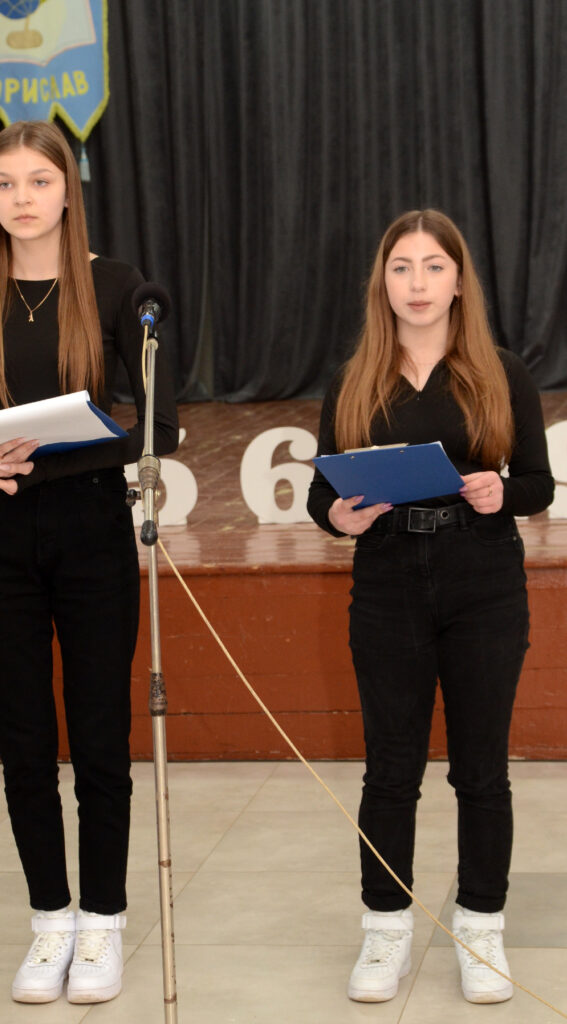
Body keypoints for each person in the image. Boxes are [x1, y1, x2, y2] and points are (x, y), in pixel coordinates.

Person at [0, 120, 179, 1005]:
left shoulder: (117, 287)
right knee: (23, 740)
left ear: (69, 191)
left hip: (91, 533)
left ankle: (103, 920)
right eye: (5, 184)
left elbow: (160, 428)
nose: (22, 198)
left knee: (100, 735)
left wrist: (47, 457)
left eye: (39, 181)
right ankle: (51, 920)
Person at [307, 209, 553, 1005]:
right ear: (381, 282)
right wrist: (337, 516)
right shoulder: (354, 377)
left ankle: (480, 926)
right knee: (390, 769)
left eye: (433, 267)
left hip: (481, 579)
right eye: (401, 267)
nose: (417, 283)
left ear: (457, 281)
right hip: (386, 583)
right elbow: (321, 494)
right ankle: (385, 929)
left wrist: (498, 491)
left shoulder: (499, 371)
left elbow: (536, 484)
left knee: (480, 770)